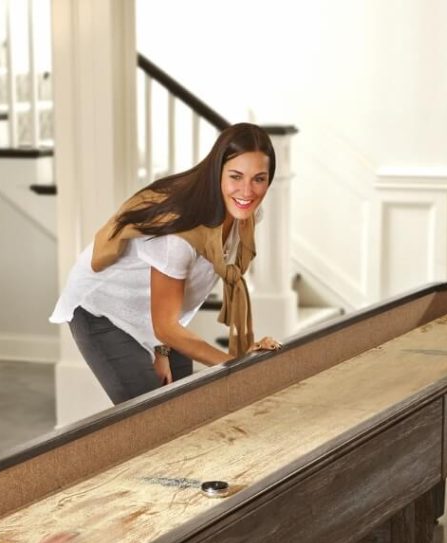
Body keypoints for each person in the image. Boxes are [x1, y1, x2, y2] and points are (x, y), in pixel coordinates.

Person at [51, 122, 280, 405]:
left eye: (259, 179)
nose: (247, 191)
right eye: (236, 176)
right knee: (153, 416)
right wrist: (235, 365)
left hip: (157, 316)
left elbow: (173, 308)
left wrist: (160, 349)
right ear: (217, 173)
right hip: (105, 310)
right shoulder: (178, 236)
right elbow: (165, 326)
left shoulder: (245, 217)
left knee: (181, 408)